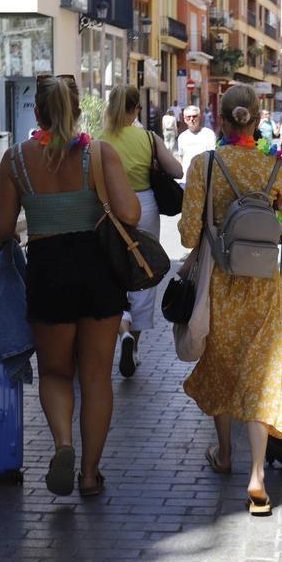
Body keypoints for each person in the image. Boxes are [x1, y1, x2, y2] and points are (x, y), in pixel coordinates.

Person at [0, 74, 141, 497]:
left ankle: (64, 444)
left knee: (56, 373)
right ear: (77, 112)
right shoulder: (99, 153)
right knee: (96, 377)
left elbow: (1, 227)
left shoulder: (16, 159)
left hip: (48, 269)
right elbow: (130, 212)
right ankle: (90, 475)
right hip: (98, 269)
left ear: (36, 113)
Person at [179, 83, 282, 516]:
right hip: (263, 291)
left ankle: (224, 453)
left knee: (220, 363)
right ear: (258, 121)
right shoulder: (276, 169)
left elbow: (186, 233)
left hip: (220, 285)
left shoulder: (205, 164)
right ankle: (257, 476)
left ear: (220, 120)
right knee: (262, 375)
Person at [101, 85, 183, 379]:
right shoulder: (148, 137)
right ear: (136, 109)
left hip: (108, 209)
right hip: (144, 206)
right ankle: (134, 345)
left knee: (112, 271)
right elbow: (177, 171)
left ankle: (120, 330)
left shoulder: (99, 140)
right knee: (144, 269)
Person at [177, 105, 215, 179]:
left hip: (205, 177)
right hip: (187, 178)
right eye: (188, 117)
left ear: (199, 117)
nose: (191, 119)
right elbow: (181, 157)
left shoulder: (209, 134)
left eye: (194, 116)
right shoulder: (182, 137)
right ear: (184, 119)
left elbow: (213, 157)